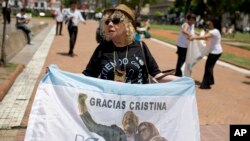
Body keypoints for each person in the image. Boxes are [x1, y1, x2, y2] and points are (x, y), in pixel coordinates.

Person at [82, 4, 179, 84]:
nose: (110, 24)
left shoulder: (141, 47)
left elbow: (156, 75)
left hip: (136, 105)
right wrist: (66, 79)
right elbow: (87, 75)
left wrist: (181, 81)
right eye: (107, 21)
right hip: (109, 105)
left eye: (116, 20)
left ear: (127, 25)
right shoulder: (102, 48)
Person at [189, 19, 223, 89]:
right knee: (210, 67)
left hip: (215, 52)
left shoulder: (214, 31)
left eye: (210, 22)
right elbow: (206, 39)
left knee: (208, 67)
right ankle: (210, 81)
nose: (208, 23)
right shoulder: (214, 31)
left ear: (213, 23)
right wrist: (197, 34)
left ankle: (206, 85)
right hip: (215, 52)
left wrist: (194, 37)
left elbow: (204, 37)